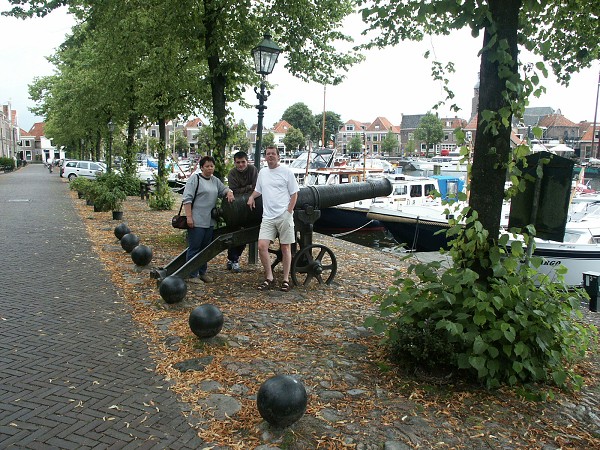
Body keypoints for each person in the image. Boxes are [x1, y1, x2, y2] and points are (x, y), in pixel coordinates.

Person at [247, 146, 299, 292]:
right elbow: (259, 190)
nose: (270, 156)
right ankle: (269, 277)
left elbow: (294, 194)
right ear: (265, 157)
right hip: (268, 216)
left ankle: (286, 279)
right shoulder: (263, 173)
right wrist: (251, 196)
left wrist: (289, 212)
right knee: (262, 246)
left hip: (284, 215)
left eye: (273, 154)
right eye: (268, 154)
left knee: (285, 247)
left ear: (278, 157)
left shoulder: (287, 172)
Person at [182, 155, 234, 283]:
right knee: (195, 247)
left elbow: (223, 190)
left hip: (209, 220)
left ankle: (202, 272)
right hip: (197, 219)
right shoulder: (195, 179)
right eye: (207, 166)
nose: (210, 168)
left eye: (212, 166)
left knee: (205, 248)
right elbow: (187, 199)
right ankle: (191, 274)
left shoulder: (215, 180)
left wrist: (229, 192)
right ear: (201, 167)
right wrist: (189, 217)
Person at [226, 151, 258, 273]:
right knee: (236, 233)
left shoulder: (253, 170)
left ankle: (233, 259)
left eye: (243, 162)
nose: (241, 165)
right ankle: (233, 260)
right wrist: (248, 188)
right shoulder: (232, 173)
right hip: (238, 207)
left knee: (245, 235)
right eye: (238, 162)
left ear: (247, 161)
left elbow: (256, 187)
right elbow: (234, 190)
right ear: (235, 163)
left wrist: (248, 190)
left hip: (251, 205)